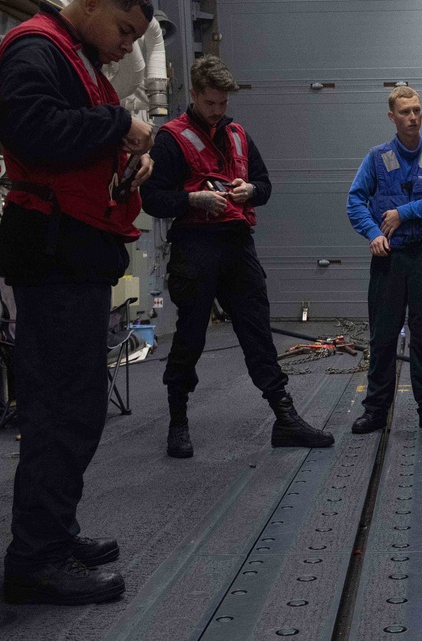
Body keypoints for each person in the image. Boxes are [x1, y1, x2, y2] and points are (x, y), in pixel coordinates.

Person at [0, 0, 155, 605]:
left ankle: (53, 535)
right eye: (123, 29)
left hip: (75, 254)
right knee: (62, 411)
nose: (126, 45)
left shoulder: (83, 62)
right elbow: (32, 132)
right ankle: (34, 562)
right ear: (90, 3)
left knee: (75, 406)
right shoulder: (36, 49)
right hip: (54, 253)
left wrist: (131, 161)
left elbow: (77, 141)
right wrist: (117, 128)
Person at [141, 56, 333, 458]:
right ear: (194, 95)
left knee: (257, 332)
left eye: (223, 104)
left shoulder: (238, 134)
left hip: (237, 244)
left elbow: (264, 184)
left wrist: (251, 191)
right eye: (211, 103)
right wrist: (193, 198)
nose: (218, 111)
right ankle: (178, 422)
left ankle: (285, 419)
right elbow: (153, 198)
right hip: (195, 247)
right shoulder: (170, 139)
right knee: (190, 337)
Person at [346, 86, 422, 434]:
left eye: (417, 110)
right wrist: (374, 233)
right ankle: (376, 411)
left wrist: (402, 214)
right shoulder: (377, 158)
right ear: (392, 117)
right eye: (405, 112)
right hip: (389, 261)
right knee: (382, 337)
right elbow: (355, 201)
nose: (412, 117)